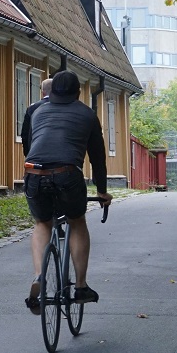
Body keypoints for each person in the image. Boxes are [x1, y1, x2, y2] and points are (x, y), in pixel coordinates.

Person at [22, 70, 112, 314]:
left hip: (34, 173)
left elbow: (29, 146)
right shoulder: (87, 114)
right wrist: (102, 192)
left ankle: (40, 276)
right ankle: (81, 287)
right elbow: (98, 158)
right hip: (67, 173)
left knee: (42, 223)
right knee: (77, 221)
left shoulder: (36, 111)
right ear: (78, 92)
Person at [20, 77, 52, 156]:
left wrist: (28, 153)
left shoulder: (32, 108)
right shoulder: (61, 107)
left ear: (42, 91)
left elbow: (25, 133)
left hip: (35, 152)